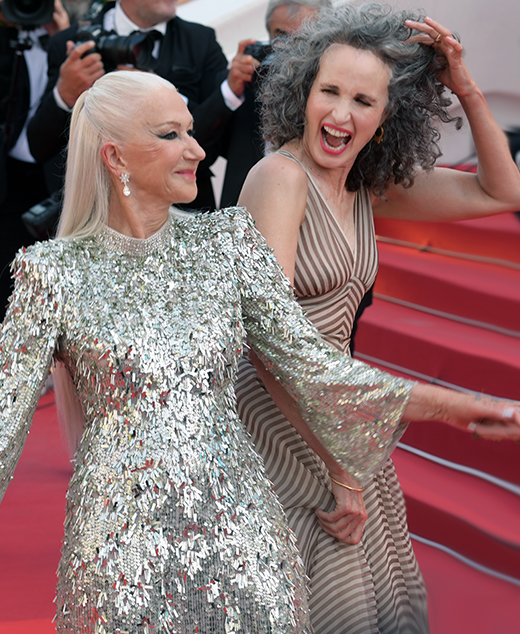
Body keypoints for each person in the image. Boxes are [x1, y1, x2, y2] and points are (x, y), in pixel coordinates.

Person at [0, 71, 518, 631]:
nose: (197, 149)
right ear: (115, 157)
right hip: (120, 547)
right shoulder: (52, 272)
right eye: (171, 134)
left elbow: (309, 365)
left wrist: (451, 406)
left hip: (242, 531)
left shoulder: (228, 243)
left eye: (191, 130)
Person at [237, 4, 520, 633]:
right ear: (302, 92)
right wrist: (341, 467)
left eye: (363, 100)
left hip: (341, 413)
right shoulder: (280, 177)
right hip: (283, 417)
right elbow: (269, 345)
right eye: (329, 91)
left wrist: (465, 87)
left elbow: (502, 191)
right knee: (329, 600)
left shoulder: (366, 185)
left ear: (388, 116)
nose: (340, 114)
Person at [26, 0, 245, 211]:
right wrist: (64, 95)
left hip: (183, 211)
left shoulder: (200, 40)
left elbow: (209, 149)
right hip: (98, 211)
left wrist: (162, 95)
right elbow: (40, 148)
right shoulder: (71, 41)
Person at [0, 0, 71, 401]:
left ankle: (51, 375)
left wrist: (62, 38)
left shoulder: (71, 37)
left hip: (55, 179)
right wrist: (2, 17)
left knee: (53, 287)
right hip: (3, 180)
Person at [219, 0, 330, 210]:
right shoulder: (252, 74)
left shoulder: (336, 87)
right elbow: (202, 149)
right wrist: (230, 92)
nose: (290, 50)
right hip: (242, 213)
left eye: (304, 38)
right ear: (269, 34)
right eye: (281, 38)